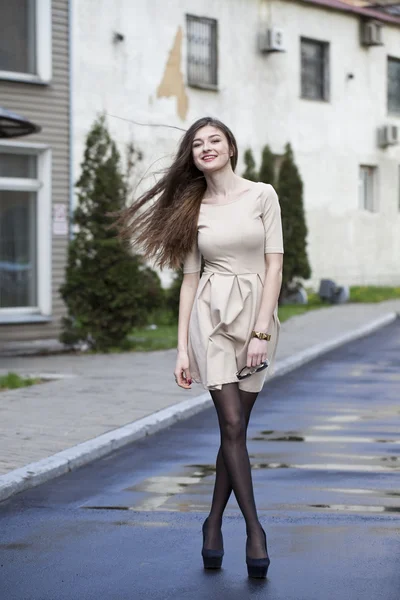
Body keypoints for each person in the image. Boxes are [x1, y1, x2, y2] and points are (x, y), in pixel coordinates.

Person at [113, 116, 284, 579]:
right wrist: (181, 349)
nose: (205, 148)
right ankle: (254, 530)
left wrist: (262, 331)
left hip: (255, 316)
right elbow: (190, 281)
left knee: (236, 432)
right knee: (230, 422)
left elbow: (274, 268)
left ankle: (212, 522)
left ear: (231, 146)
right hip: (209, 317)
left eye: (214, 140)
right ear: (191, 157)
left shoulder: (262, 194)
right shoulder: (192, 206)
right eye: (196, 144)